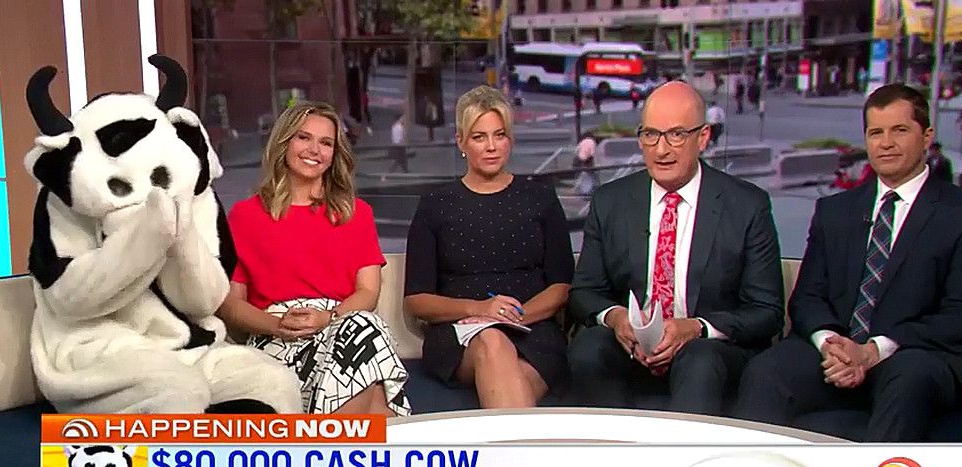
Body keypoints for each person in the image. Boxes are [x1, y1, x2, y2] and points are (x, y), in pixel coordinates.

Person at [733, 84, 962, 441]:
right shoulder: (834, 211)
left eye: (899, 130)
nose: (886, 143)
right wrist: (832, 345)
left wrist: (874, 350)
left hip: (915, 355)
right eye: (876, 133)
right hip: (835, 354)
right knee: (766, 371)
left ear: (926, 136)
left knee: (909, 377)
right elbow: (807, 298)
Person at [568, 82, 785, 416]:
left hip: (709, 351)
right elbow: (585, 291)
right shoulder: (611, 201)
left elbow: (766, 311)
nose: (661, 150)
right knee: (588, 348)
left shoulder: (747, 205)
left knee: (700, 359)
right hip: (632, 348)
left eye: (676, 135)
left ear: (703, 137)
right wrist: (617, 318)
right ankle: (618, 445)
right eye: (650, 135)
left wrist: (696, 327)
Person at [219, 101, 412, 417]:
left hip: (341, 327)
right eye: (303, 138)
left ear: (335, 153)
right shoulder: (246, 215)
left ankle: (328, 443)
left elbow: (368, 292)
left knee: (363, 327)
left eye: (326, 143)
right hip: (277, 338)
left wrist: (328, 318)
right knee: (374, 390)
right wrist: (278, 325)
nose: (314, 150)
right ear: (284, 142)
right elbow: (231, 305)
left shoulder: (356, 213)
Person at [404, 86, 574, 408]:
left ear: (510, 139)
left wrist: (513, 317)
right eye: (479, 137)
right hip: (460, 334)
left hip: (534, 329)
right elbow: (417, 300)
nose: (492, 147)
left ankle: (512, 442)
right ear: (461, 142)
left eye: (500, 135)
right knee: (492, 342)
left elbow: (561, 287)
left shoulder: (540, 198)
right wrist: (480, 310)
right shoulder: (435, 205)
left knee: (510, 373)